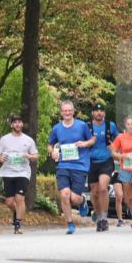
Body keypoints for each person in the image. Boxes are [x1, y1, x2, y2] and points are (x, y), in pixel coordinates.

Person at [47, 100, 95, 235]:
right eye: (64, 111)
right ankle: (70, 224)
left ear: (73, 112)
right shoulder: (57, 128)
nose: (67, 113)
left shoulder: (82, 126)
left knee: (74, 198)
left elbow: (92, 140)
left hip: (80, 166)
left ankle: (82, 201)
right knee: (64, 195)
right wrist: (52, 152)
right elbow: (50, 144)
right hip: (63, 165)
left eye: (69, 110)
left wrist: (84, 143)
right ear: (61, 113)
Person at [0, 114, 38, 234]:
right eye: (15, 122)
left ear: (22, 124)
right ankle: (15, 211)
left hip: (22, 172)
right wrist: (0, 157)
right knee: (9, 202)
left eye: (20, 122)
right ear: (11, 125)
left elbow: (35, 155)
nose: (18, 124)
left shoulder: (28, 140)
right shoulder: (4, 139)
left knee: (19, 199)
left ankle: (18, 224)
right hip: (7, 172)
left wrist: (29, 156)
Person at [86, 102, 119, 232]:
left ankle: (104, 219)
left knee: (103, 188)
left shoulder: (110, 126)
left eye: (101, 111)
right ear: (92, 113)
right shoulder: (87, 126)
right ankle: (99, 217)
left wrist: (114, 148)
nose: (99, 113)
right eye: (96, 111)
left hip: (106, 160)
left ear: (104, 113)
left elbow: (119, 140)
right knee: (94, 192)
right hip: (91, 162)